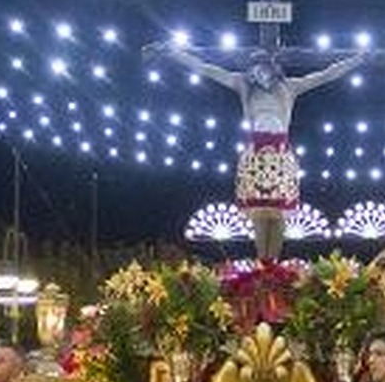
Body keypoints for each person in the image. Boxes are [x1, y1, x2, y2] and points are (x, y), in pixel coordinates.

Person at [149, 41, 367, 259]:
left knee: (279, 214)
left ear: (275, 65)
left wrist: (359, 59)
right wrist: (174, 54)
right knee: (259, 213)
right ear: (250, 66)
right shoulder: (242, 84)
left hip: (280, 154)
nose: (263, 68)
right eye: (257, 62)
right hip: (256, 154)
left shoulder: (289, 87)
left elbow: (326, 75)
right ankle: (263, 263)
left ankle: (273, 265)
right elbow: (206, 69)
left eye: (267, 63)